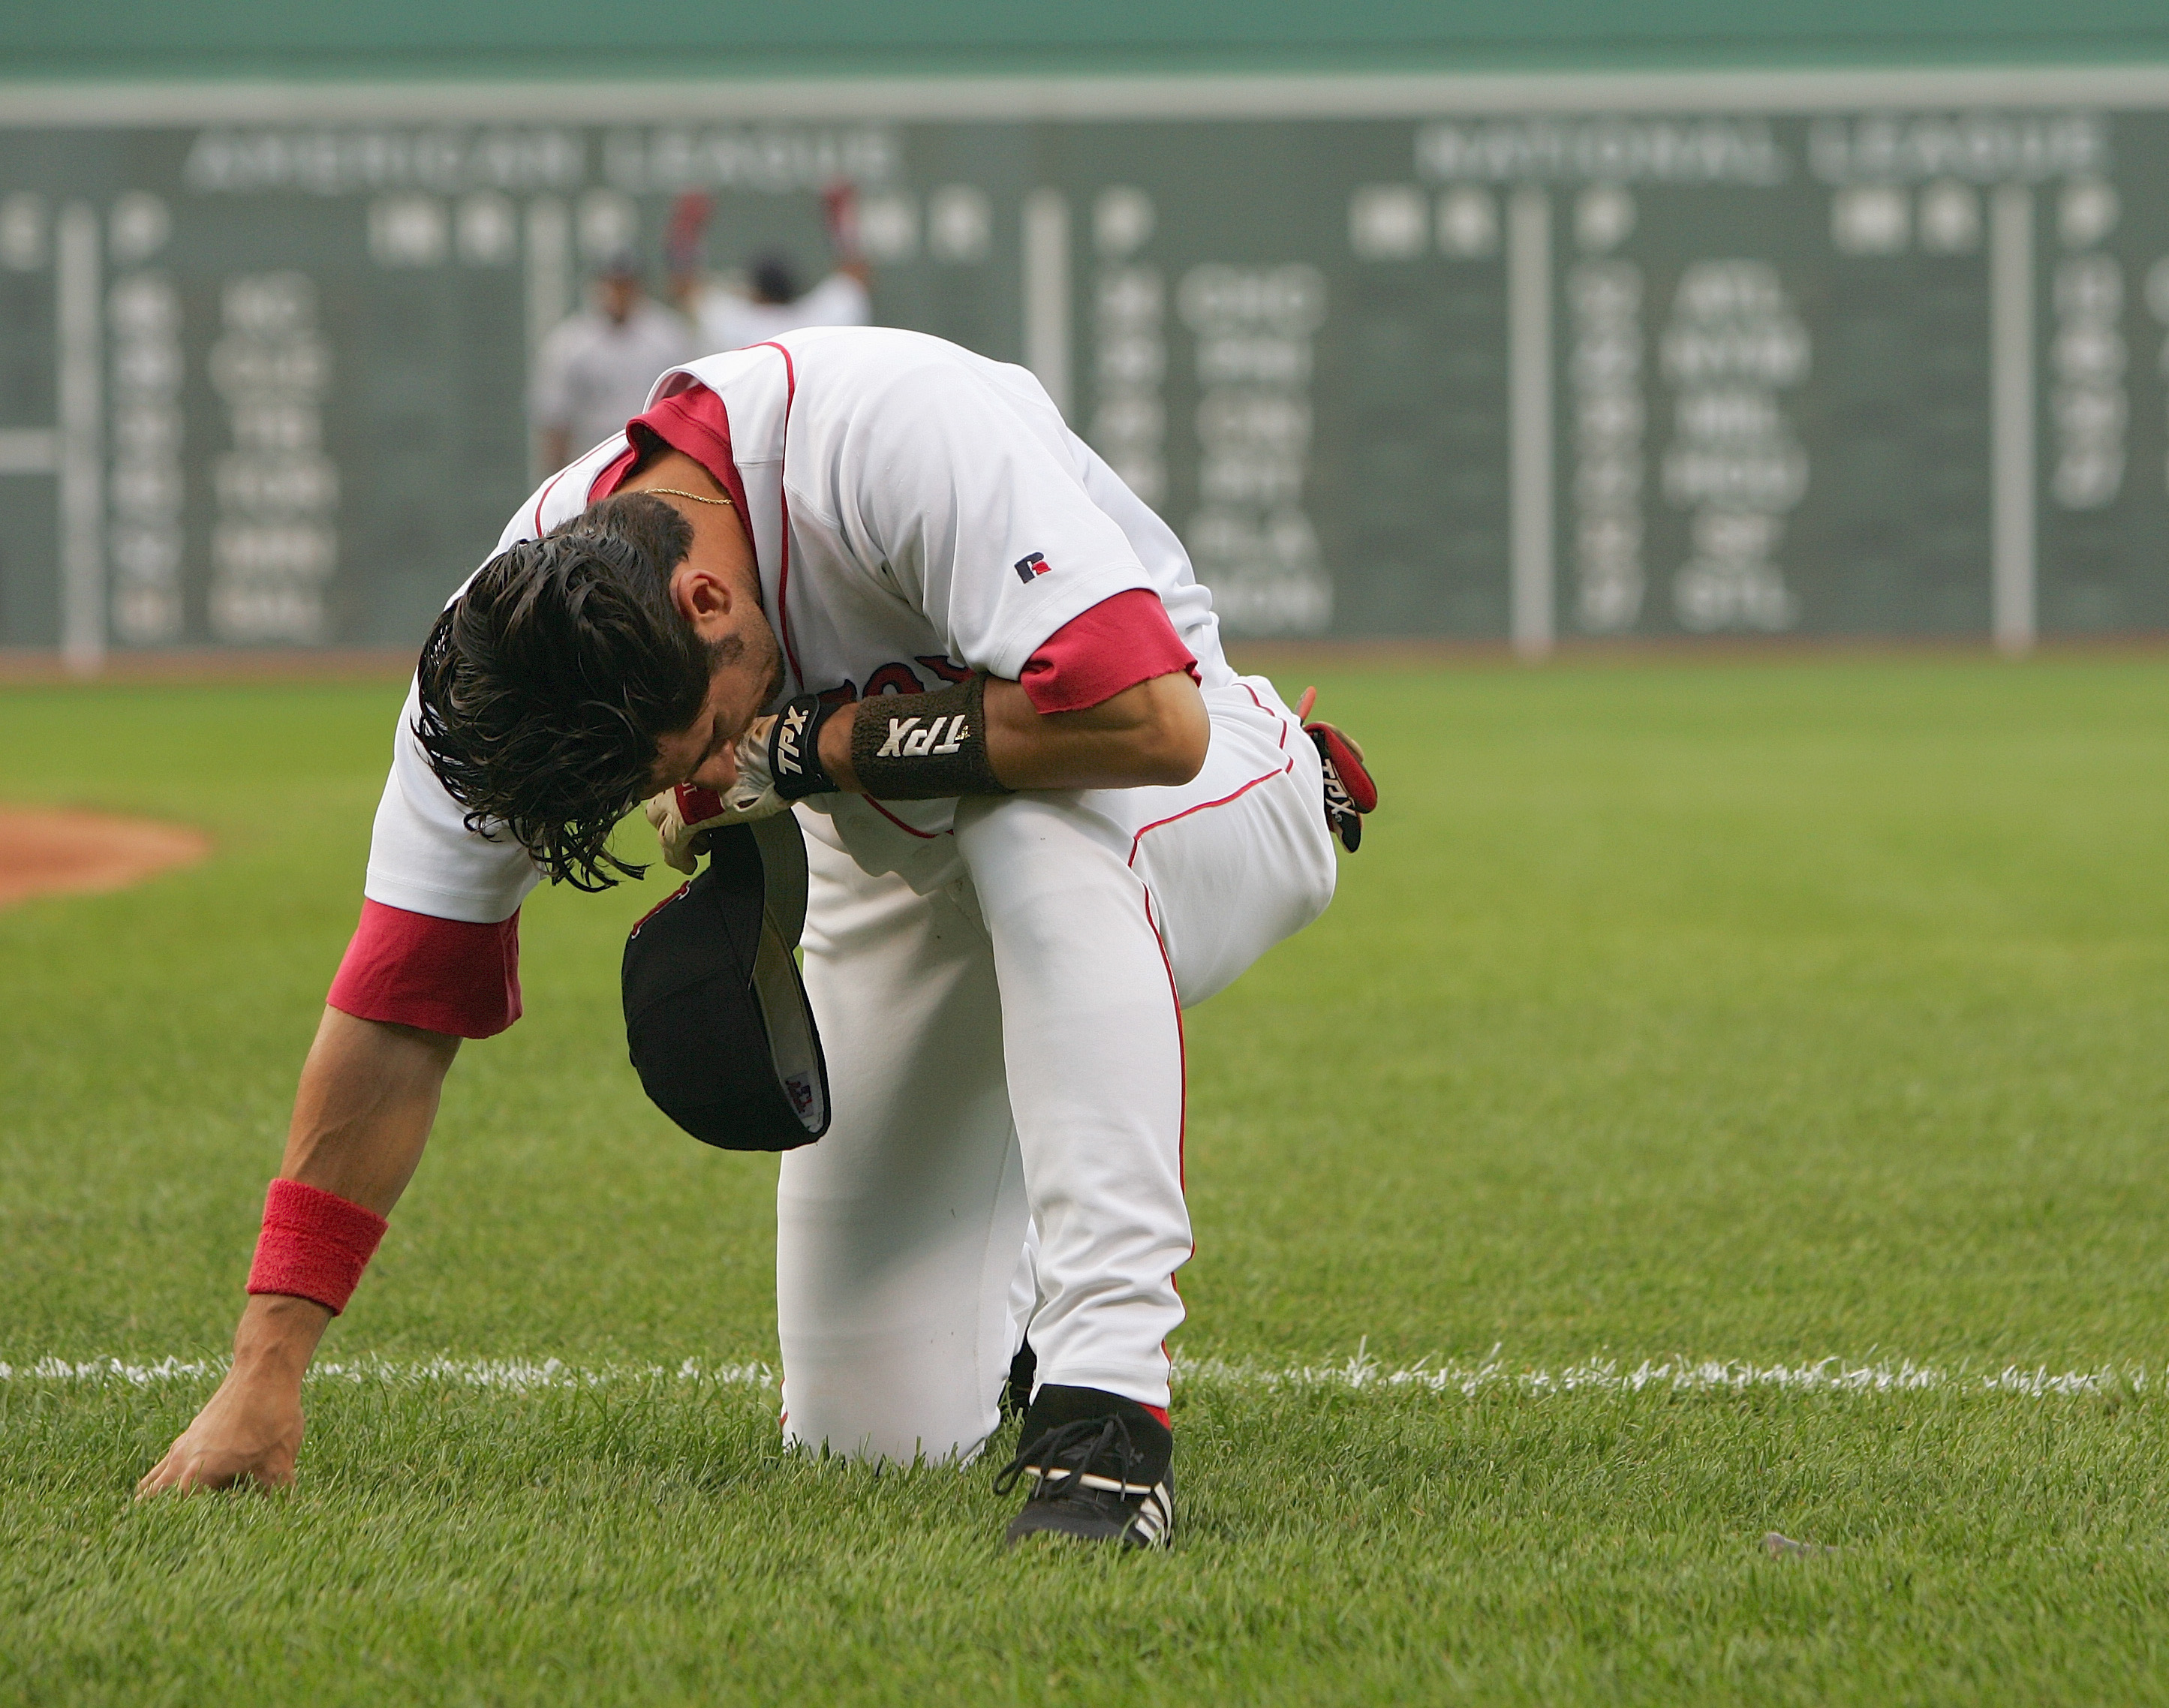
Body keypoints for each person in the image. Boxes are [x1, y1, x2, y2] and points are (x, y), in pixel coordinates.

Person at [137, 323, 1376, 1551]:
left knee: (1033, 835)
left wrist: (796, 751)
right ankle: (1010, 1303)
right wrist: (267, 1362)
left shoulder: (886, 432)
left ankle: (1105, 1416)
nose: (689, 774)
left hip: (1190, 786)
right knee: (870, 1436)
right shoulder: (500, 664)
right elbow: (400, 1005)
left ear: (708, 598)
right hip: (896, 866)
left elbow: (1141, 722)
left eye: (681, 748)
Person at [528, 254, 696, 471]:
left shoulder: (668, 335)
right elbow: (556, 420)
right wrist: (555, 476)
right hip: (593, 462)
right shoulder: (570, 343)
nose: (619, 293)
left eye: (626, 285)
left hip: (654, 458)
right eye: (612, 284)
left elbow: (690, 406)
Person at [670, 184, 871, 356]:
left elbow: (686, 289)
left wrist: (687, 229)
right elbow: (856, 276)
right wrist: (843, 221)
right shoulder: (818, 323)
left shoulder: (736, 324)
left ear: (755, 291)